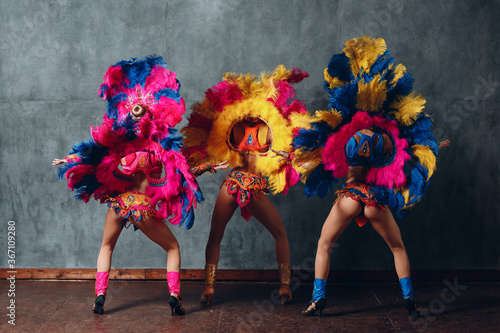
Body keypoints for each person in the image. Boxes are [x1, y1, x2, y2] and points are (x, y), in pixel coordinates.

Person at [292, 36, 448, 317]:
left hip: (351, 194)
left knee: (324, 245)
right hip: (374, 197)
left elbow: (321, 154)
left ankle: (318, 299)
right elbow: (414, 154)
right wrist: (435, 146)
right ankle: (409, 300)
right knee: (397, 247)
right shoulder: (389, 135)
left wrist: (292, 157)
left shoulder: (347, 128)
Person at [53, 56, 204, 316]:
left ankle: (100, 296)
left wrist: (69, 159)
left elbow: (91, 154)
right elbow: (184, 172)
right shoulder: (159, 150)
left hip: (119, 204)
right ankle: (174, 297)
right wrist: (208, 167)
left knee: (106, 246)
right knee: (173, 247)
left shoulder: (119, 147)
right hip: (143, 207)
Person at [181, 66, 309, 305]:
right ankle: (284, 287)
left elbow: (212, 155)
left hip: (231, 183)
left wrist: (203, 167)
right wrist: (291, 159)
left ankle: (209, 288)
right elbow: (290, 156)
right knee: (280, 234)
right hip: (253, 186)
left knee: (215, 237)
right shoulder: (270, 130)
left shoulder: (232, 127)